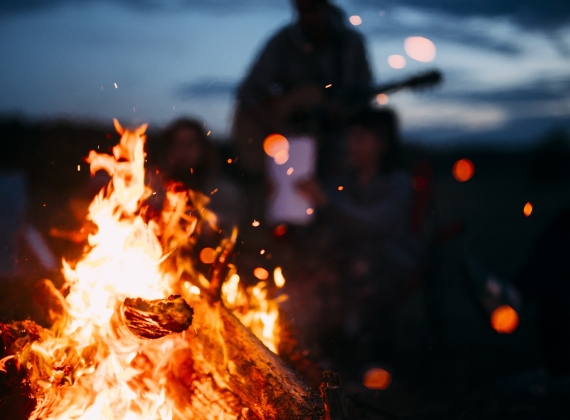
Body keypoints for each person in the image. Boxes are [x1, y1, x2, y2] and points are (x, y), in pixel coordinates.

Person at [295, 108, 425, 368]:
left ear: (382, 143)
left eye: (360, 138)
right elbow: (322, 219)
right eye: (349, 138)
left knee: (363, 269)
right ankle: (331, 351)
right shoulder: (343, 181)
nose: (350, 145)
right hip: (348, 259)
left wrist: (327, 202)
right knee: (322, 273)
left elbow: (373, 223)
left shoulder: (396, 182)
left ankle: (375, 361)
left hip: (390, 260)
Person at [232, 0, 372, 221]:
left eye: (313, 9)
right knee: (287, 199)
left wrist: (342, 111)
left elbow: (363, 96)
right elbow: (248, 92)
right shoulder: (282, 42)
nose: (309, 17)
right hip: (291, 143)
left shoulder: (350, 44)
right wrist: (278, 127)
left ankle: (339, 225)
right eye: (302, 10)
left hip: (333, 139)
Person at [156, 118, 244, 236]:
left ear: (203, 148)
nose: (184, 149)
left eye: (190, 143)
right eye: (178, 143)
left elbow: (232, 233)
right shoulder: (152, 190)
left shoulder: (223, 191)